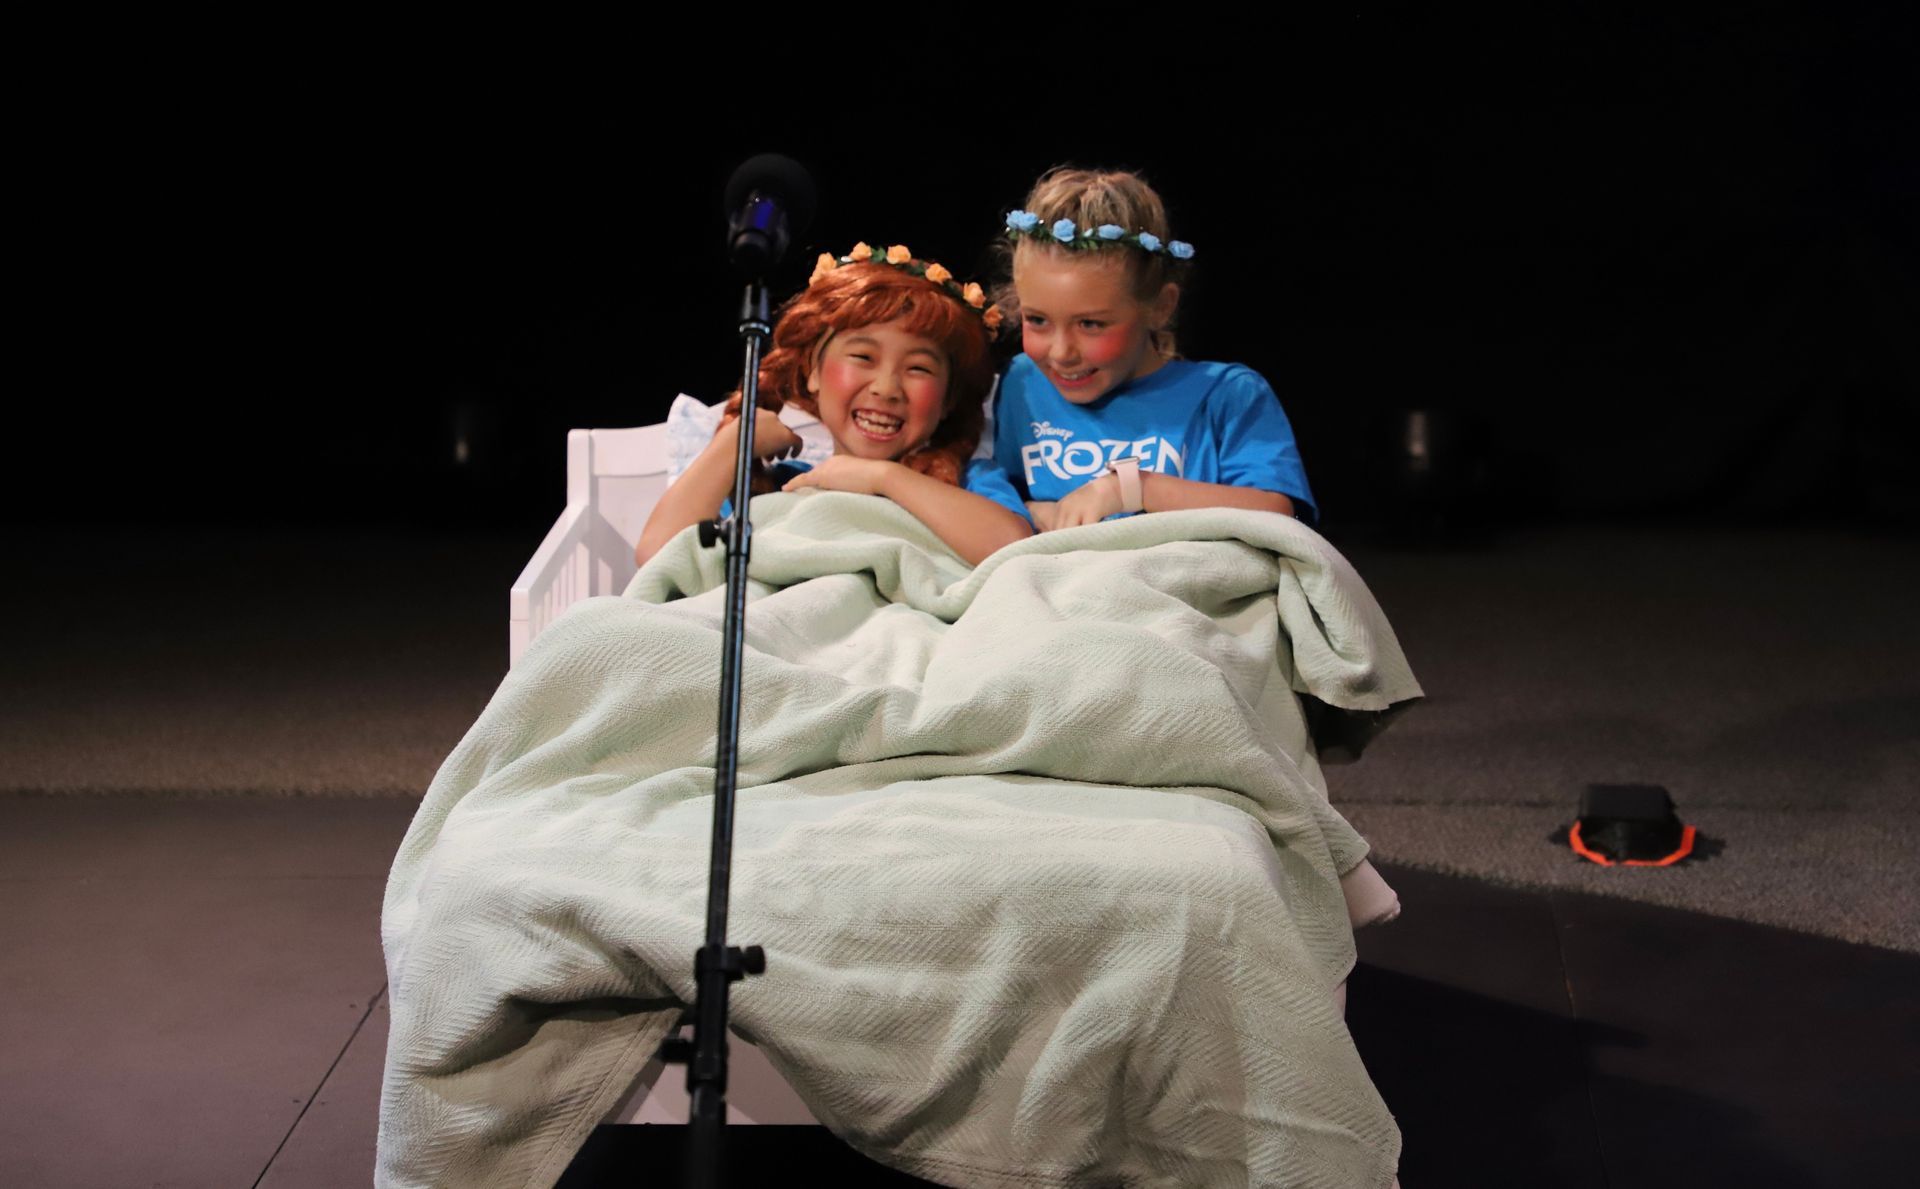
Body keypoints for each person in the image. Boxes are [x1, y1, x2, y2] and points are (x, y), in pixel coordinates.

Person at [637, 244, 1032, 566]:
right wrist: (733, 443)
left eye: (917, 368)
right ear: (812, 372)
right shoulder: (779, 484)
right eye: (862, 357)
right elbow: (658, 558)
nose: (886, 387)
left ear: (949, 399)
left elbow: (1014, 553)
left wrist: (883, 478)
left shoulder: (968, 483)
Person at [990, 168, 1319, 531]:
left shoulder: (1227, 395)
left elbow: (1279, 516)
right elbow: (997, 497)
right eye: (1037, 320)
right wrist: (1034, 513)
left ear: (1161, 306)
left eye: (1091, 324)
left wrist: (1131, 489)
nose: (1062, 352)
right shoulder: (1023, 384)